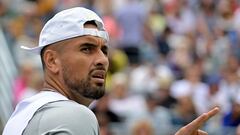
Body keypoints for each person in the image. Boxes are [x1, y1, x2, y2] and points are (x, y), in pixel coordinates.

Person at [3, 7, 219, 135]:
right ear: (51, 60)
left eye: (104, 50)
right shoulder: (74, 115)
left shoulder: (24, 114)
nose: (102, 60)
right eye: (86, 49)